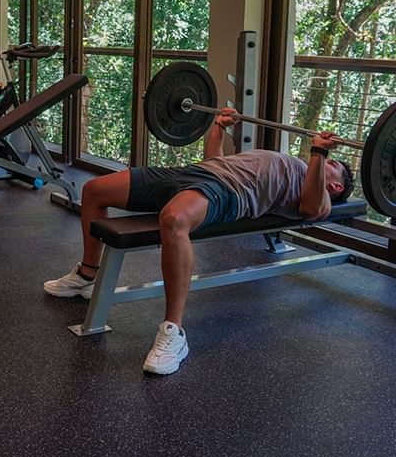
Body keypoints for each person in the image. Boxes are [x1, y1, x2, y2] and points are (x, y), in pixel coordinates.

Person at [44, 108, 355, 375]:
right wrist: (218, 127)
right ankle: (88, 275)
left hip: (229, 194)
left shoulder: (319, 193)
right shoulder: (294, 164)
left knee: (175, 220)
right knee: (95, 190)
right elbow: (214, 160)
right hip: (195, 173)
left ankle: (174, 331)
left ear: (337, 185)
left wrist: (318, 153)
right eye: (326, 159)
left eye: (331, 164)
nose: (325, 161)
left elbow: (312, 209)